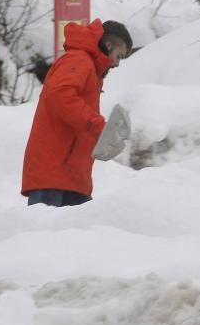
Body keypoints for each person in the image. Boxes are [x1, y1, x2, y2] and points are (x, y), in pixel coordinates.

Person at [21, 19, 133, 207]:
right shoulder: (79, 60)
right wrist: (97, 125)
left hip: (72, 178)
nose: (117, 64)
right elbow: (60, 95)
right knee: (45, 235)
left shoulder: (89, 68)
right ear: (108, 45)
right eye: (119, 56)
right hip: (54, 175)